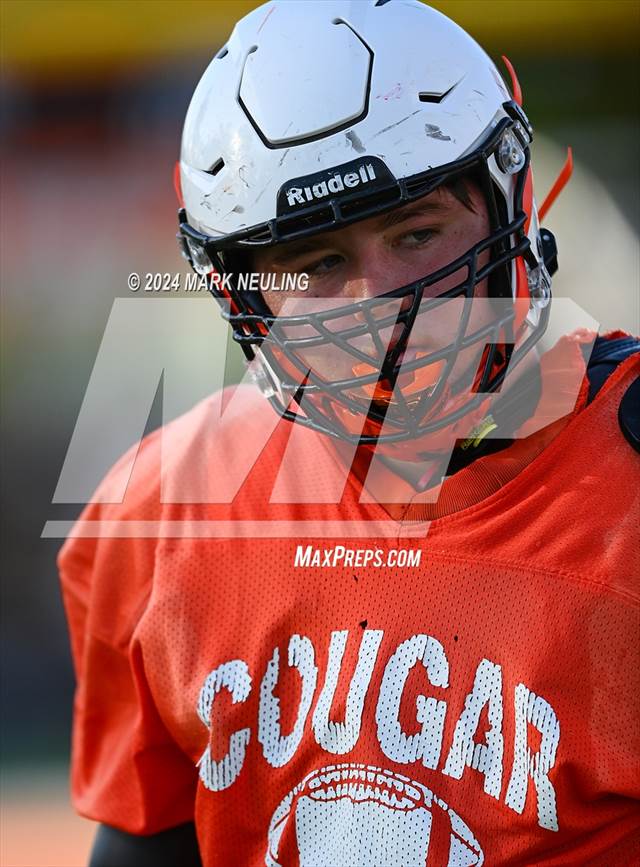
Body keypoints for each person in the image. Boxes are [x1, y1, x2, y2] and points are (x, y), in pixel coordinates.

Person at [59, 1, 640, 865]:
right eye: (320, 261)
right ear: (243, 292)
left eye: (417, 232)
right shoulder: (165, 510)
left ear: (509, 203)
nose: (382, 303)